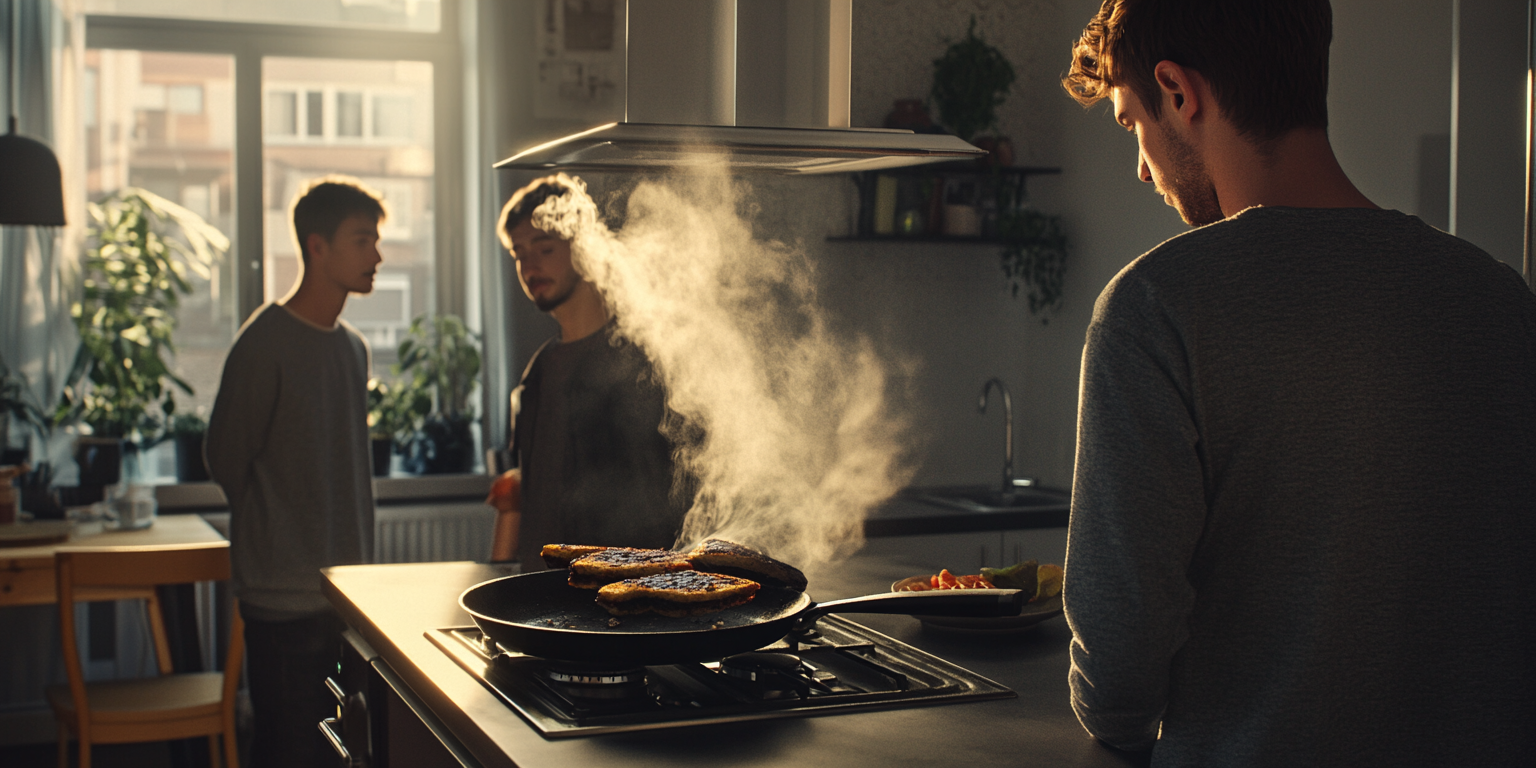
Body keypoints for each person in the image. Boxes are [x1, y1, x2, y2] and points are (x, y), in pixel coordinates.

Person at [1059, 2, 1536, 765]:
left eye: (1130, 124)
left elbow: (1119, 672)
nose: (1142, 167)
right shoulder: (1501, 300)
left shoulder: (1158, 306)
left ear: (1179, 92)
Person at [205, 176, 384, 768]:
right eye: (363, 240)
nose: (377, 255)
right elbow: (225, 458)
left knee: (341, 753)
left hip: (345, 597)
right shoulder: (264, 344)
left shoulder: (353, 348)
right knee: (286, 751)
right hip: (282, 604)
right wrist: (279, 533)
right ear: (317, 247)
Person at [487, 174, 688, 568]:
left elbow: (663, 501)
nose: (529, 266)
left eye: (544, 248)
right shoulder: (538, 373)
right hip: (545, 596)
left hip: (617, 596)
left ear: (585, 249)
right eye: (518, 254)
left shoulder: (639, 365)